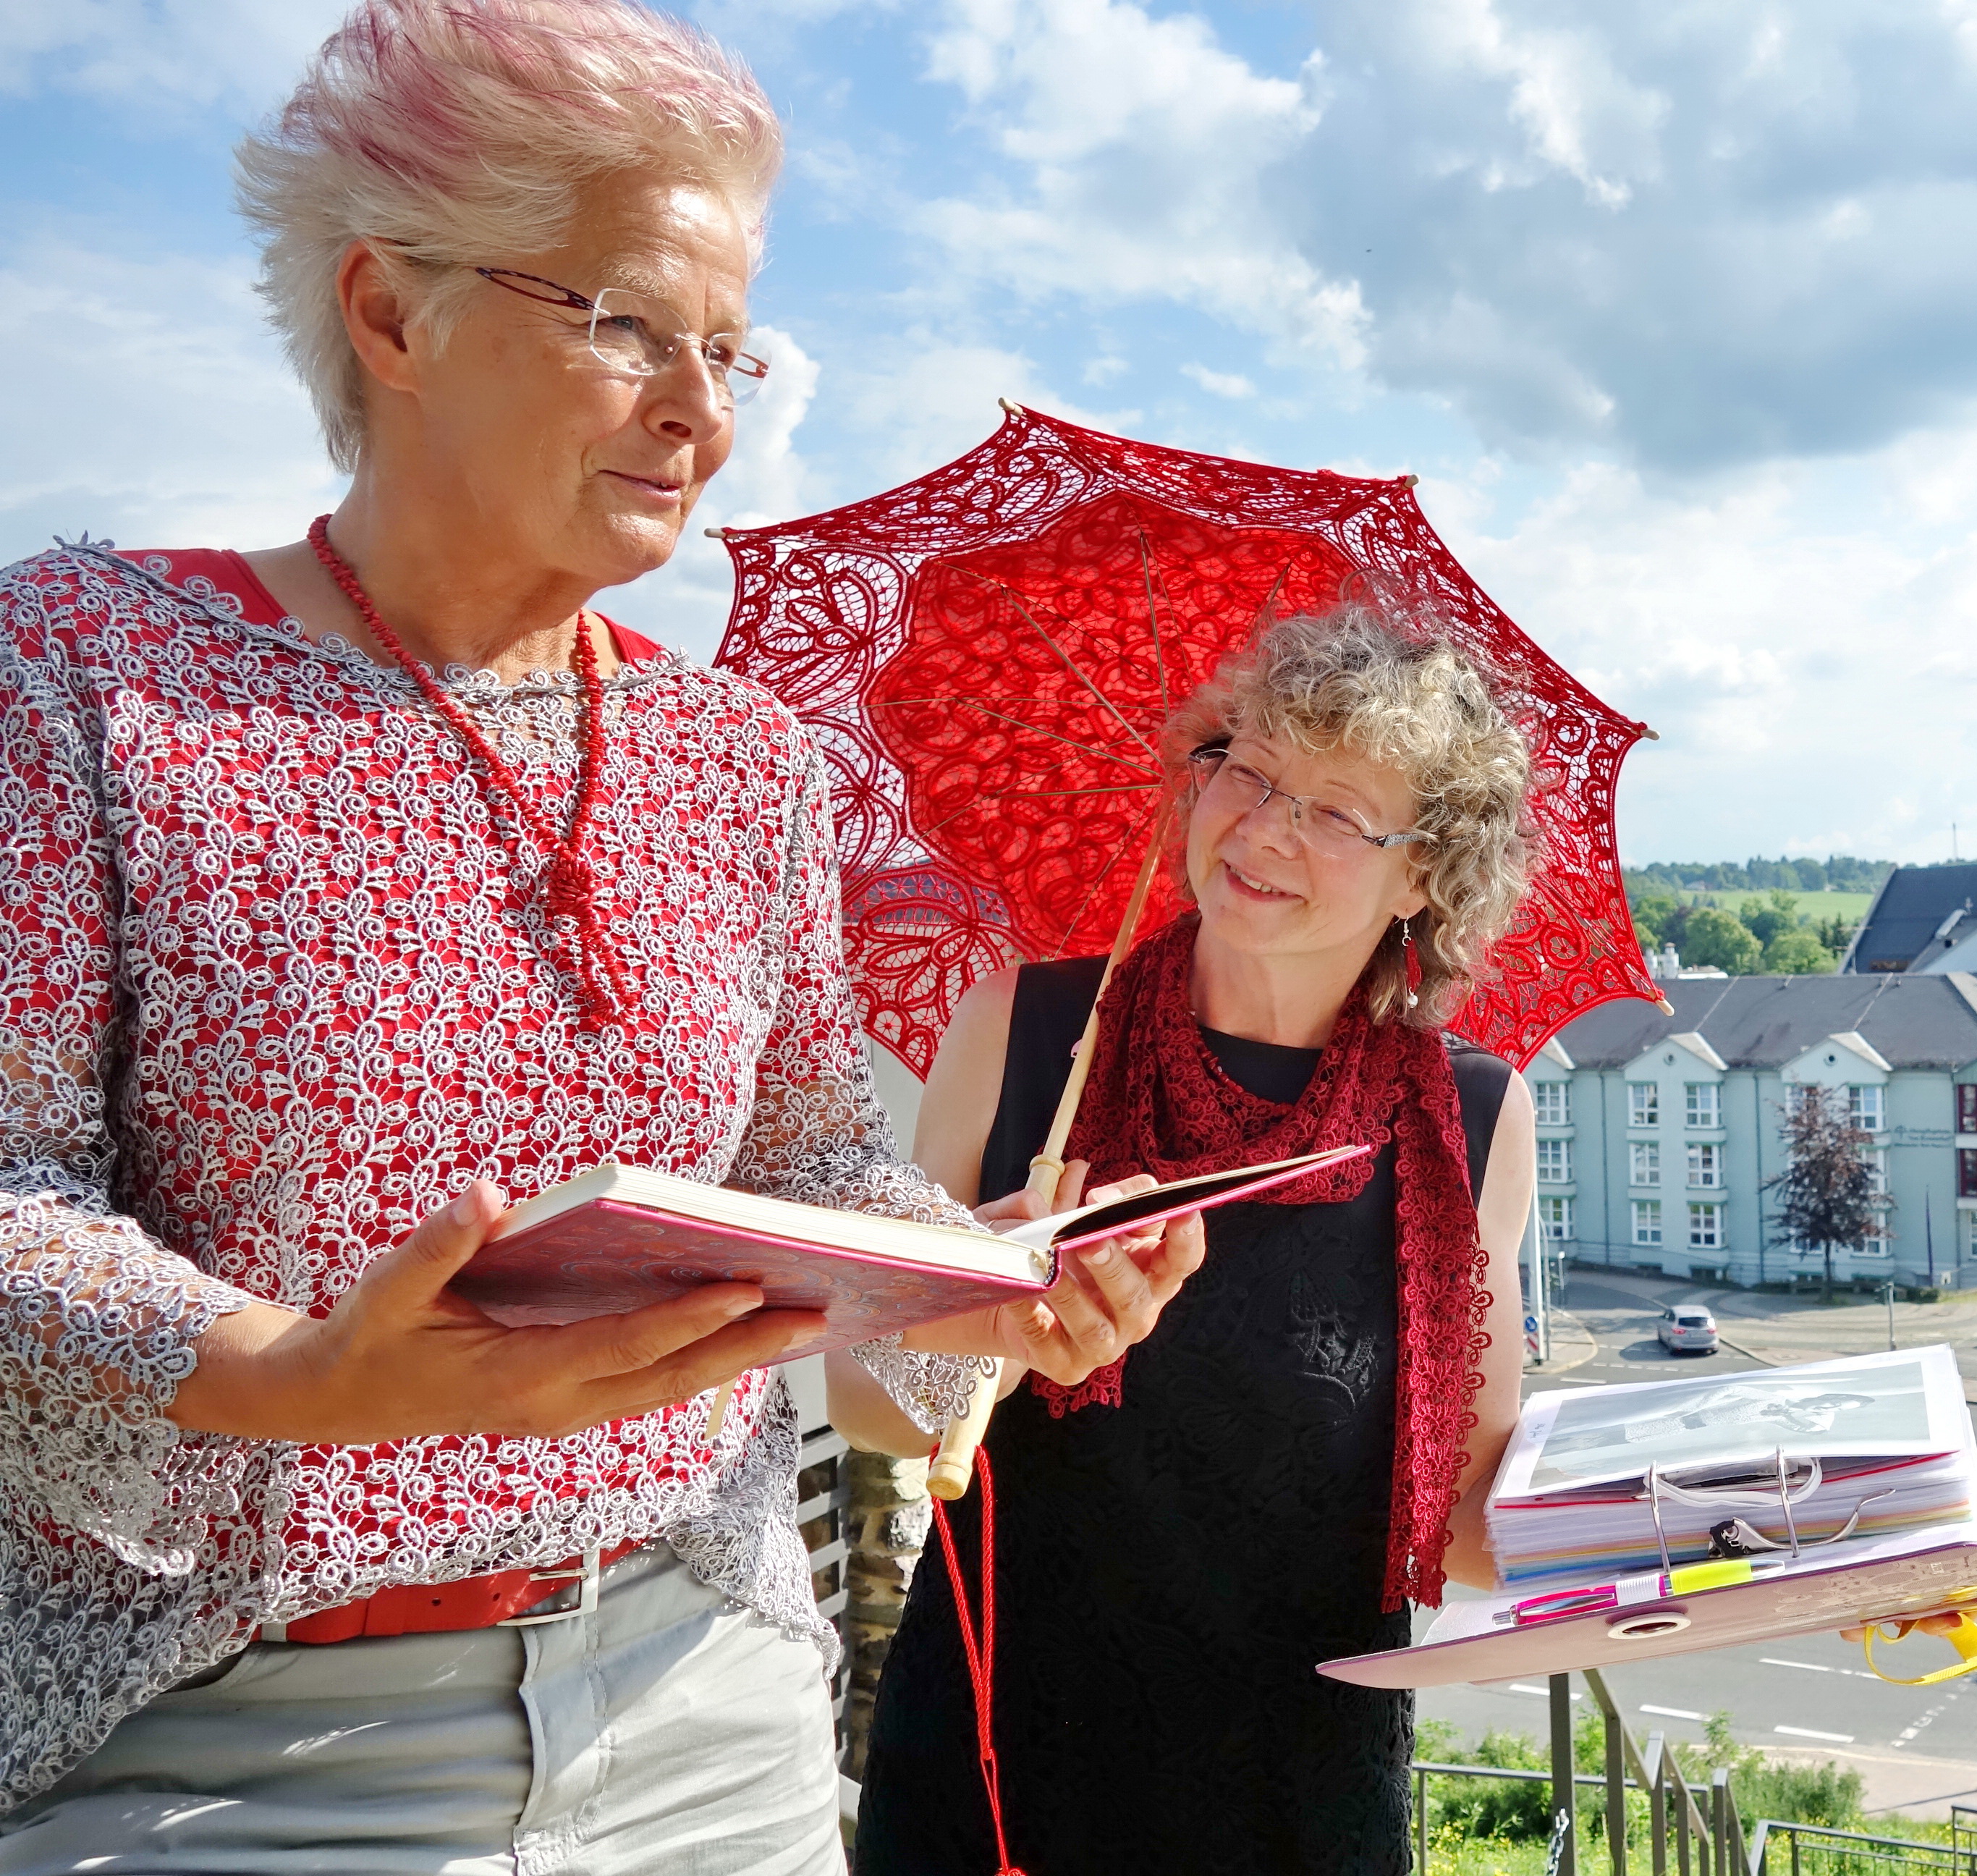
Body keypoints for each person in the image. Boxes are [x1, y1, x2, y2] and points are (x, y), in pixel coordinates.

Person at [0, 3, 1198, 1868]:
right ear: (392, 313)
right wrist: (284, 1377)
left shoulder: (743, 756)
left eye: (729, 346)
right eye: (630, 321)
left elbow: (808, 1162)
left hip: (706, 1706)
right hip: (225, 1734)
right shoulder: (81, 667)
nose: (705, 409)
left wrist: (986, 1288)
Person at [844, 607, 1542, 1875]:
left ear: (1428, 875)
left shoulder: (1471, 1119)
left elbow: (1471, 1521)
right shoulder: (1029, 1027)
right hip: (996, 1779)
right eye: (1250, 769)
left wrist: (1816, 1550)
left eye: (1337, 809)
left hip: (1303, 1797)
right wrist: (990, 1323)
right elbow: (866, 1398)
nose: (1266, 826)